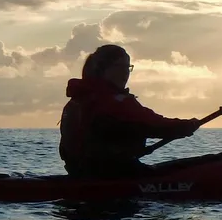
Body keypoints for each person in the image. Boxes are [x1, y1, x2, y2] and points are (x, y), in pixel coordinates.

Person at [59, 44, 201, 178]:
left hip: (81, 172)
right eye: (121, 67)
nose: (126, 73)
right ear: (103, 69)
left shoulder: (77, 101)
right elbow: (153, 124)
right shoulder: (113, 101)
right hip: (115, 174)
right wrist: (186, 126)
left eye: (128, 67)